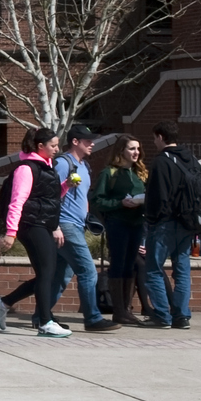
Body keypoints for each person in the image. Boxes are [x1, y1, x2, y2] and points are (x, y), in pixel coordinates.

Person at [0, 127, 72, 337]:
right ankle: (45, 321)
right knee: (47, 271)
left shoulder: (47, 167)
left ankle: (5, 302)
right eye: (53, 145)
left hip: (43, 224)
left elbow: (48, 198)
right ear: (40, 146)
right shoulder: (25, 169)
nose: (57, 149)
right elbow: (17, 202)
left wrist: (66, 186)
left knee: (47, 273)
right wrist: (11, 232)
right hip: (31, 225)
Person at [53, 125, 118, 333]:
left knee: (62, 275)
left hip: (77, 226)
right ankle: (92, 318)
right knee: (88, 271)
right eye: (87, 140)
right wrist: (55, 226)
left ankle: (41, 314)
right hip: (65, 225)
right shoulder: (63, 164)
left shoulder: (84, 166)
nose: (92, 144)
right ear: (75, 141)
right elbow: (51, 197)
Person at [140, 121, 198, 330]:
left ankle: (162, 315)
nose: (154, 141)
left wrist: (151, 218)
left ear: (161, 137)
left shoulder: (161, 162)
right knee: (182, 271)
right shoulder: (191, 159)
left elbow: (157, 195)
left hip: (164, 223)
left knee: (153, 269)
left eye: (155, 137)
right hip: (186, 224)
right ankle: (181, 316)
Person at [95, 137, 150, 325]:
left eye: (138, 148)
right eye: (132, 149)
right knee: (118, 264)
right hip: (117, 224)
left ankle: (126, 309)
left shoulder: (139, 173)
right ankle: (118, 310)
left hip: (136, 224)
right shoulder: (109, 173)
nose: (136, 152)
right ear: (121, 151)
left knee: (131, 265)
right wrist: (120, 203)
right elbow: (98, 200)